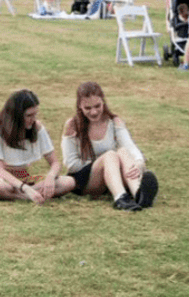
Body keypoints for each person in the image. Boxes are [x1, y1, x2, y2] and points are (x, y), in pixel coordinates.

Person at [60, 81, 151, 211]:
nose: (94, 112)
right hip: (85, 180)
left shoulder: (113, 121)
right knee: (110, 155)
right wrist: (102, 164)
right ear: (79, 106)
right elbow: (70, 164)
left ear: (103, 101)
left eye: (97, 106)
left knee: (123, 152)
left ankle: (139, 194)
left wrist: (138, 164)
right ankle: (120, 198)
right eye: (88, 108)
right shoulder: (72, 125)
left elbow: (131, 148)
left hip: (111, 176)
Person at [0, 89, 73, 204]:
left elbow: (55, 162)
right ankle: (26, 196)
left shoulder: (36, 128)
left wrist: (50, 177)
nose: (33, 119)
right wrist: (25, 189)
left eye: (35, 114)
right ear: (16, 116)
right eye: (29, 115)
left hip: (23, 177)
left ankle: (20, 194)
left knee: (69, 182)